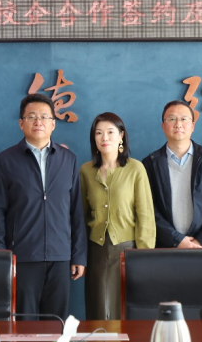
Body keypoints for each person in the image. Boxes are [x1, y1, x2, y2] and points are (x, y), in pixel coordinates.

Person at [0, 93, 87, 319]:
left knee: (56, 323)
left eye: (44, 116)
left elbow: (76, 212)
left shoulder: (68, 159)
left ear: (53, 123)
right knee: (24, 324)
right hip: (21, 257)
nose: (38, 121)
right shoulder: (5, 160)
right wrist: (1, 257)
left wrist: (79, 255)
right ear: (21, 123)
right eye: (31, 116)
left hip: (60, 256)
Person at [80, 112, 155, 320]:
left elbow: (145, 216)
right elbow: (81, 217)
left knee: (125, 312)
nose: (104, 137)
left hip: (128, 251)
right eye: (99, 133)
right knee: (98, 310)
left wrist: (144, 256)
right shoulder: (86, 171)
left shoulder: (135, 168)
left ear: (121, 135)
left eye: (110, 132)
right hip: (96, 252)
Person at [143, 100, 202, 249]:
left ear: (192, 126)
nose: (178, 124)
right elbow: (149, 209)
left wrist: (201, 241)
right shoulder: (150, 163)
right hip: (167, 248)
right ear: (163, 126)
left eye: (184, 119)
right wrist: (177, 240)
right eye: (171, 119)